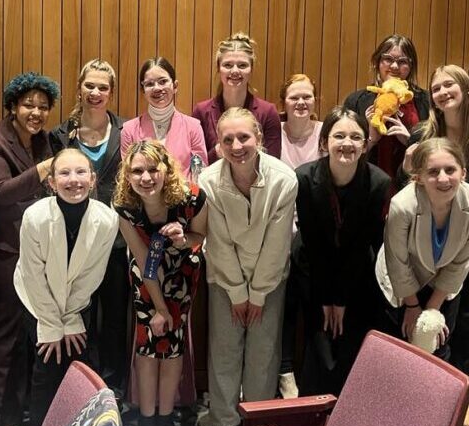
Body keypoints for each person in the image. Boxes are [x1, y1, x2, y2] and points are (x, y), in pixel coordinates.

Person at [199, 108, 297, 426]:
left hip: (269, 280)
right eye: (228, 140)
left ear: (258, 135)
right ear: (218, 144)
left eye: (244, 137)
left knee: (263, 352)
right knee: (224, 349)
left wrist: (257, 295)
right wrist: (238, 293)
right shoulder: (209, 180)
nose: (237, 145)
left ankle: (256, 423)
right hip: (225, 279)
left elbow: (277, 244)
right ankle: (225, 422)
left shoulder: (283, 179)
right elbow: (219, 242)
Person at [407, 65, 469, 388]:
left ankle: (463, 396)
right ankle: (432, 394)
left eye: (448, 85)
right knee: (433, 324)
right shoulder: (422, 136)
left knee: (467, 324)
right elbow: (407, 192)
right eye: (436, 89)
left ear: (466, 89)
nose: (442, 93)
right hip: (430, 248)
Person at [0, 72, 61, 426]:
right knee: (5, 338)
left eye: (43, 107)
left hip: (41, 252)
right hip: (7, 252)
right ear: (12, 105)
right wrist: (43, 169)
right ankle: (0, 420)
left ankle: (27, 412)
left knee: (33, 335)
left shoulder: (45, 140)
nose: (36, 112)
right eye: (29, 104)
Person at [113, 141, 207, 426]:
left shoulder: (192, 196)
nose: (146, 177)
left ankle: (166, 422)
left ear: (166, 168)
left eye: (153, 169)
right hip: (147, 279)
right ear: (128, 175)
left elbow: (199, 238)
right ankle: (146, 420)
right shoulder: (124, 205)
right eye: (137, 171)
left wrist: (183, 240)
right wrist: (159, 308)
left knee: (172, 346)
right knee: (147, 344)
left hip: (181, 273)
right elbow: (142, 259)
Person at [14, 148, 118, 426]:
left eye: (81, 172)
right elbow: (33, 275)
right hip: (37, 301)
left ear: (93, 179)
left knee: (79, 366)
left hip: (78, 303)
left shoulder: (107, 219)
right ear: (51, 182)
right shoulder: (35, 216)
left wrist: (71, 318)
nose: (74, 180)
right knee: (45, 367)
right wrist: (50, 323)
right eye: (64, 173)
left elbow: (91, 276)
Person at [48, 59, 131, 397]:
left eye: (103, 87)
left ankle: (113, 392)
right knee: (79, 318)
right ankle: (81, 392)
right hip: (71, 241)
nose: (95, 93)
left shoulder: (128, 131)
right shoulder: (60, 134)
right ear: (79, 88)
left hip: (115, 240)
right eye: (89, 86)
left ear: (111, 92)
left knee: (114, 318)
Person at [296, 107, 391, 396]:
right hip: (314, 271)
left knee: (352, 345)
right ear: (324, 143)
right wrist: (327, 298)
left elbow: (363, 244)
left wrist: (341, 299)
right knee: (320, 348)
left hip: (357, 274)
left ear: (365, 144)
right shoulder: (304, 178)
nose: (347, 143)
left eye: (355, 137)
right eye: (339, 136)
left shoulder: (378, 182)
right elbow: (313, 243)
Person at [376, 138, 469, 362]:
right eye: (433, 171)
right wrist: (412, 306)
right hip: (402, 282)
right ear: (418, 177)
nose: (443, 178)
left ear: (463, 173)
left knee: (438, 349)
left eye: (450, 170)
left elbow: (461, 261)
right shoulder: (402, 205)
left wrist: (432, 310)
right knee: (400, 351)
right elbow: (398, 262)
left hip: (444, 281)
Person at [276, 73, 324, 397]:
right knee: (283, 301)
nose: (301, 102)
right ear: (284, 103)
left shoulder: (324, 133)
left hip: (315, 230)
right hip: (278, 226)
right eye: (294, 97)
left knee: (312, 302)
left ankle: (310, 375)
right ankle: (284, 369)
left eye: (307, 96)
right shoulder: (272, 133)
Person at [343, 34, 430, 181]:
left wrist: (410, 141)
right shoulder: (356, 100)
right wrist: (371, 140)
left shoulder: (426, 100)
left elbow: (437, 146)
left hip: (413, 182)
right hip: (366, 184)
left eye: (402, 61)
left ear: (411, 66)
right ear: (377, 62)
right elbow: (344, 150)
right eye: (388, 59)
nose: (395, 66)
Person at [192, 33, 282, 164]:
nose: (235, 71)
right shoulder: (201, 111)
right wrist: (217, 152)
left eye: (242, 65)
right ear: (218, 68)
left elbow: (273, 163)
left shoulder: (268, 112)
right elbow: (197, 163)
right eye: (228, 65)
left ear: (251, 69)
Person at [121, 57, 209, 180]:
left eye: (163, 81)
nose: (157, 88)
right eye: (149, 84)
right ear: (143, 90)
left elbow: (199, 175)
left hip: (184, 197)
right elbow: (128, 176)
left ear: (175, 86)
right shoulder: (129, 130)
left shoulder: (193, 127)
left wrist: (190, 198)